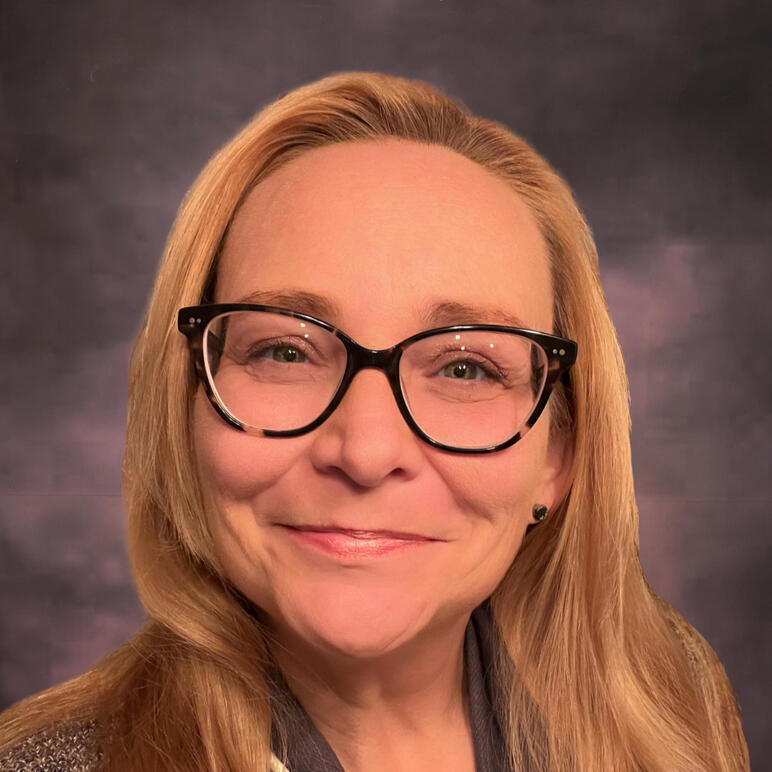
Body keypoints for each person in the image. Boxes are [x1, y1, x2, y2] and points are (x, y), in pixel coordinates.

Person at [0, 71, 749, 772]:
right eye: (286, 351)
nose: (365, 450)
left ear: (559, 453)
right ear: (187, 411)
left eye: (465, 368)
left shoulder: (671, 703)